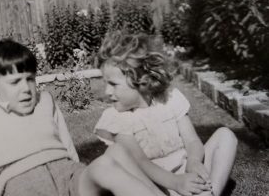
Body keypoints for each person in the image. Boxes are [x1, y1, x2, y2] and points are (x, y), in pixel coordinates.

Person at [0, 38, 166, 196]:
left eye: (30, 79)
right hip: (22, 184)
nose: (26, 89)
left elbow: (67, 147)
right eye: (15, 82)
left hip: (68, 174)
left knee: (116, 153)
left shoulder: (45, 101)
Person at [94, 32, 238, 196]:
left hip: (184, 173)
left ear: (141, 81)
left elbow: (191, 139)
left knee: (225, 135)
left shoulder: (170, 100)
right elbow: (141, 162)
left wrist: (194, 160)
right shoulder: (116, 118)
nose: (107, 91)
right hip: (153, 185)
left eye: (113, 84)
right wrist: (175, 183)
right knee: (120, 166)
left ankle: (212, 192)